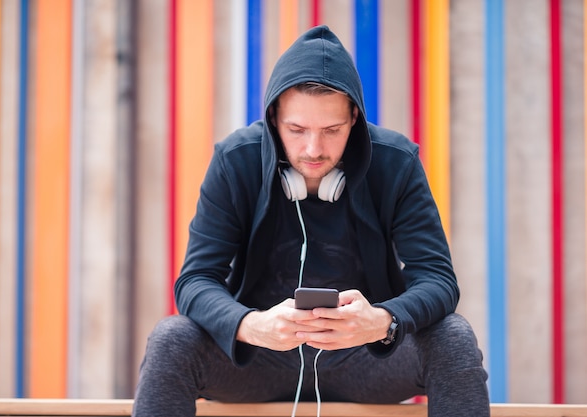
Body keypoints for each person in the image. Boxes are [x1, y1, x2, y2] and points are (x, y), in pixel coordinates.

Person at [132, 25, 490, 417]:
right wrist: (251, 325)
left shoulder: (395, 163)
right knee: (172, 338)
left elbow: (438, 279)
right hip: (258, 358)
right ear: (274, 118)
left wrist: (382, 322)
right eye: (297, 130)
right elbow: (195, 280)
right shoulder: (236, 161)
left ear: (354, 118)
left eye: (332, 130)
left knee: (453, 336)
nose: (313, 149)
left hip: (367, 359)